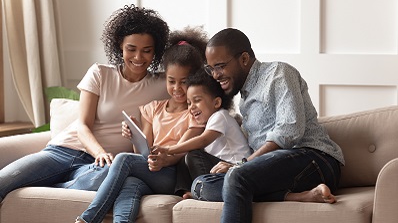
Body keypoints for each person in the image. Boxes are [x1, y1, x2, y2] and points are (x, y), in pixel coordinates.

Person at [0, 4, 170, 203]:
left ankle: (47, 188)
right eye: (131, 49)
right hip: (63, 151)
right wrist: (99, 152)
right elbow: (83, 124)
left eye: (147, 51)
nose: (139, 57)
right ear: (119, 45)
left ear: (155, 51)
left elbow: (194, 78)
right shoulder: (100, 73)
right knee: (4, 180)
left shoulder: (164, 85)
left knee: (106, 177)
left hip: (99, 168)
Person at [192, 28, 345, 223]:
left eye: (220, 66)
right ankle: (298, 196)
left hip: (315, 160)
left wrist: (242, 166)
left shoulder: (278, 73)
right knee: (200, 185)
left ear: (244, 59)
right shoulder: (244, 100)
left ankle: (257, 183)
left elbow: (289, 132)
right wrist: (239, 168)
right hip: (278, 169)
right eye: (211, 68)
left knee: (236, 177)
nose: (215, 75)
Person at [75, 26, 208, 223]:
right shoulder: (152, 109)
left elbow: (180, 152)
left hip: (173, 175)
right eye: (171, 81)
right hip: (151, 170)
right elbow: (141, 153)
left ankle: (88, 219)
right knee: (130, 184)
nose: (177, 88)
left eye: (184, 82)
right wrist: (134, 135)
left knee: (123, 160)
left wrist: (163, 159)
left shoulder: (196, 114)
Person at [153, 69, 252, 199]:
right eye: (189, 103)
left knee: (193, 154)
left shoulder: (221, 116)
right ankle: (185, 191)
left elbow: (202, 140)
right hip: (220, 169)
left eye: (197, 100)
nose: (191, 107)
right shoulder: (209, 122)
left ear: (216, 103)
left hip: (233, 170)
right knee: (185, 157)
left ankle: (203, 188)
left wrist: (169, 149)